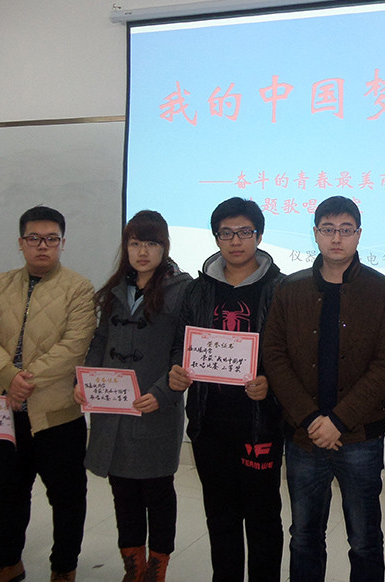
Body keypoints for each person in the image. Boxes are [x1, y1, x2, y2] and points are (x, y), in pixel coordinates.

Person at [262, 196, 385, 582]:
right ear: (315, 234)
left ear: (359, 234)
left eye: (345, 230)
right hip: (303, 435)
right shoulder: (289, 289)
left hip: (360, 437)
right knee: (304, 536)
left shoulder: (383, 291)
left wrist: (339, 420)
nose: (336, 238)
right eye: (328, 229)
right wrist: (310, 418)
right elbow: (274, 356)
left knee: (365, 539)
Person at [0, 206, 96, 582]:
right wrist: (8, 377)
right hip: (3, 410)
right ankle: (9, 563)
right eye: (34, 238)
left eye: (51, 239)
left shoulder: (79, 288)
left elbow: (74, 347)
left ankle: (64, 569)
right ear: (21, 242)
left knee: (67, 498)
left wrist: (25, 381)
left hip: (56, 414)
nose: (43, 246)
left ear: (62, 243)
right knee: (7, 492)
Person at [168, 197, 285, 582]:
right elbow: (180, 343)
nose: (236, 241)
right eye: (227, 233)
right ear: (216, 238)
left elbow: (293, 351)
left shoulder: (281, 288)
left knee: (263, 517)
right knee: (220, 516)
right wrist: (177, 369)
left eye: (245, 232)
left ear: (259, 236)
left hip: (259, 424)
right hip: (209, 422)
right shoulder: (197, 290)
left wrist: (270, 381)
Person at [77, 211, 192, 582]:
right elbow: (100, 340)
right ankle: (134, 567)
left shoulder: (182, 289)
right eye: (135, 243)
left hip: (154, 409)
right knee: (123, 492)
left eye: (151, 243)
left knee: (158, 493)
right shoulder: (116, 289)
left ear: (165, 247)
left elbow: (183, 349)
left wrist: (162, 392)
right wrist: (87, 379)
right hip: (112, 409)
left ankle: (157, 568)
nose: (143, 251)